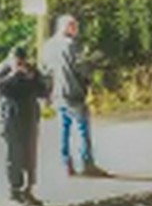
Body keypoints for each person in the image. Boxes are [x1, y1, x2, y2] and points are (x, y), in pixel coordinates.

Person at [41, 14, 105, 178]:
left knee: (64, 130)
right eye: (74, 26)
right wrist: (91, 66)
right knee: (83, 129)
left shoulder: (47, 46)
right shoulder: (72, 46)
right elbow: (81, 68)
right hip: (73, 92)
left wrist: (46, 95)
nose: (76, 29)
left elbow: (45, 71)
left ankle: (66, 164)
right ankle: (87, 163)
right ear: (67, 27)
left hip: (57, 94)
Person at [0, 45, 46, 205]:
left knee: (30, 155)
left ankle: (29, 190)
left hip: (29, 117)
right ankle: (15, 190)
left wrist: (33, 78)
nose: (21, 63)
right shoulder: (2, 70)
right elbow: (0, 89)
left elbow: (43, 91)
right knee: (14, 154)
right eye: (17, 60)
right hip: (10, 117)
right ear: (11, 58)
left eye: (23, 60)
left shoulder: (31, 69)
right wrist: (14, 75)